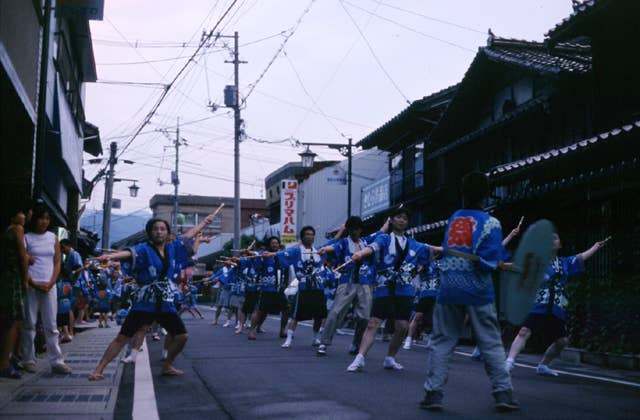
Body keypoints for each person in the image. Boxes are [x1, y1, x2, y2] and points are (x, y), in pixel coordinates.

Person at [420, 172, 518, 412]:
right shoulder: (491, 223)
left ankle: (433, 393)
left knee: (442, 341)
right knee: (490, 342)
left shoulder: (455, 218)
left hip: (449, 287)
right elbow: (486, 262)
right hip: (477, 290)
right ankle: (503, 392)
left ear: (464, 193)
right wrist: (500, 262)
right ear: (486, 194)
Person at [88, 213, 215, 381]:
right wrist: (110, 256)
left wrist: (205, 222)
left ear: (167, 233)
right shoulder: (144, 248)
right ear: (150, 233)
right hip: (145, 302)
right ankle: (98, 369)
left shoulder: (173, 248)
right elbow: (128, 253)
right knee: (123, 337)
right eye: (155, 229)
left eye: (162, 229)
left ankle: (167, 365)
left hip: (165, 302)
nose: (159, 232)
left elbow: (189, 235)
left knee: (182, 336)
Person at [505, 234, 608, 376]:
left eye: (555, 238)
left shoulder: (564, 262)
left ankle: (543, 366)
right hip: (539, 303)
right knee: (524, 331)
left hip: (556, 306)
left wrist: (595, 247)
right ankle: (509, 362)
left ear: (560, 245)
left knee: (562, 341)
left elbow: (580, 257)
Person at [347, 207, 434, 372]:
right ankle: (360, 358)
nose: (401, 220)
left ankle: (390, 358)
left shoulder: (414, 244)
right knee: (373, 322)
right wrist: (360, 254)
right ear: (391, 220)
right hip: (384, 286)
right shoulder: (384, 239)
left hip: (404, 289)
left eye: (405, 218)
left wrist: (416, 270)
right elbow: (372, 248)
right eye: (398, 217)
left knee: (402, 326)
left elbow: (429, 255)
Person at [316, 216, 379, 356]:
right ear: (348, 230)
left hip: (364, 283)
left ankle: (356, 344)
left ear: (360, 230)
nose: (354, 232)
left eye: (356, 229)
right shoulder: (344, 243)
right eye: (351, 229)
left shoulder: (366, 242)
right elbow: (334, 246)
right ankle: (324, 342)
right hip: (347, 282)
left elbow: (380, 234)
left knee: (364, 317)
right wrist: (325, 249)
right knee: (335, 312)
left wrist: (389, 221)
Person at [22, 204, 72, 374]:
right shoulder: (26, 237)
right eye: (40, 218)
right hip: (31, 285)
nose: (44, 221)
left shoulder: (53, 238)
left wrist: (51, 282)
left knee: (51, 324)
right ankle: (28, 359)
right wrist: (33, 283)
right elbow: (22, 263)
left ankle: (57, 361)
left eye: (47, 218)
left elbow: (57, 262)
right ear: (34, 219)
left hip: (49, 286)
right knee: (29, 323)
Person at [262, 226, 328, 349]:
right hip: (303, 287)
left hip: (318, 286)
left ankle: (315, 338)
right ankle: (288, 339)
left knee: (319, 315)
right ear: (302, 237)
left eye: (311, 234)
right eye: (307, 234)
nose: (309, 236)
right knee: (296, 315)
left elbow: (332, 244)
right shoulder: (297, 251)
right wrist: (272, 253)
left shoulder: (318, 250)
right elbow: (283, 253)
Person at [0, 199, 33, 379]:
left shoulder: (7, 231)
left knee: (7, 320)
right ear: (15, 215)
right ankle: (5, 363)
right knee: (13, 321)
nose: (26, 216)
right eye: (23, 212)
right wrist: (26, 278)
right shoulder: (17, 229)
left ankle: (8, 358)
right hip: (13, 278)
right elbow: (21, 256)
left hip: (6, 277)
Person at [242, 237, 290, 340]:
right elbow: (256, 259)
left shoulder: (282, 255)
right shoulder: (264, 254)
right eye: (273, 243)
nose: (275, 245)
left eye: (277, 243)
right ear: (269, 244)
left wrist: (285, 284)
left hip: (279, 288)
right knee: (260, 310)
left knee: (286, 309)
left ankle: (282, 331)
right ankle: (251, 331)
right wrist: (250, 254)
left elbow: (286, 269)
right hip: (267, 288)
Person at [403, 260, 440, 351]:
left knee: (435, 319)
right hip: (425, 294)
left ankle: (432, 340)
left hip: (437, 295)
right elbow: (415, 272)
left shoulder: (440, 263)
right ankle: (408, 339)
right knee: (417, 317)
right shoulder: (424, 263)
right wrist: (422, 266)